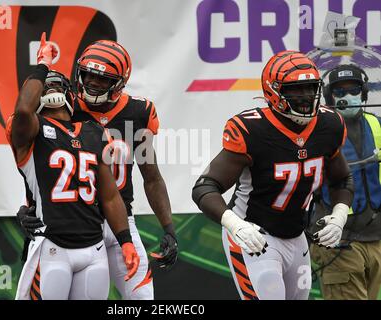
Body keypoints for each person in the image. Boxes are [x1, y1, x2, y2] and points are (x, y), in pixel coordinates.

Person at [18, 39, 178, 300]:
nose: (92, 82)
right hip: (76, 221)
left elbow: (151, 177)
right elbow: (45, 167)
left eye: (102, 79)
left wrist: (169, 228)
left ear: (119, 82)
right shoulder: (66, 106)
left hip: (120, 220)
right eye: (88, 75)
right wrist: (27, 206)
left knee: (143, 298)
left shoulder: (139, 112)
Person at [192, 50, 354, 300]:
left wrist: (339, 215)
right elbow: (204, 187)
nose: (305, 97)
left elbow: (341, 178)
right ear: (273, 91)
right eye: (295, 90)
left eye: (310, 88)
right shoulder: (252, 129)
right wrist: (236, 226)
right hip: (254, 237)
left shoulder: (329, 124)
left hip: (296, 235)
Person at [309, 64, 381, 300]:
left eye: (354, 90)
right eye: (340, 92)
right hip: (338, 241)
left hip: (377, 241)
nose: (347, 96)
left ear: (364, 94)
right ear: (329, 96)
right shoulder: (315, 132)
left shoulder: (378, 124)